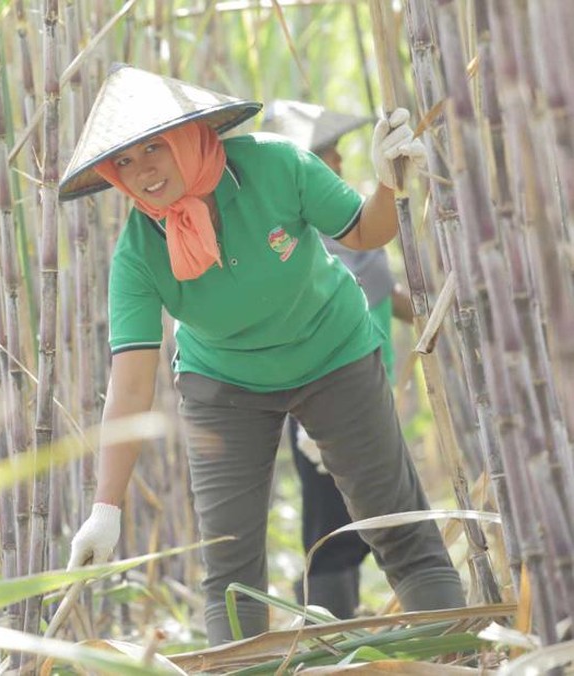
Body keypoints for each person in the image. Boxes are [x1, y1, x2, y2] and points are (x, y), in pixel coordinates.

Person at [60, 65, 464, 645]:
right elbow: (129, 388)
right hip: (224, 387)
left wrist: (388, 186)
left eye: (155, 146)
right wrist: (106, 509)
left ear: (191, 135)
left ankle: (451, 649)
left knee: (396, 527)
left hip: (334, 355)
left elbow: (364, 234)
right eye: (124, 160)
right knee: (228, 567)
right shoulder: (138, 255)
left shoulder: (278, 165)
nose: (143, 169)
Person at [261, 99, 415, 620]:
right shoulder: (294, 238)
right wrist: (308, 421)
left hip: (366, 387)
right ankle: (328, 636)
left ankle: (359, 628)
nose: (341, 165)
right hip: (321, 399)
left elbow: (382, 294)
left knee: (381, 510)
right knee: (331, 523)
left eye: (339, 153)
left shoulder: (351, 229)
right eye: (328, 155)